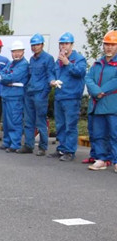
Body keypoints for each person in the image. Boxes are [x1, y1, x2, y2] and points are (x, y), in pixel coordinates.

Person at [47, 32, 87, 162]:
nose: (64, 46)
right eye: (62, 43)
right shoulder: (58, 60)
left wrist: (67, 63)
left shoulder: (79, 59)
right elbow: (51, 73)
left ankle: (69, 151)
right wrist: (52, 81)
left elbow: (80, 72)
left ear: (72, 45)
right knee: (60, 125)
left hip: (72, 97)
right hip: (59, 96)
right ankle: (62, 148)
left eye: (66, 43)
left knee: (70, 125)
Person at [85, 31, 117, 172]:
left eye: (112, 45)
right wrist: (96, 91)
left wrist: (101, 91)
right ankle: (101, 159)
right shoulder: (98, 63)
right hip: (97, 105)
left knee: (114, 134)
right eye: (106, 44)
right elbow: (88, 78)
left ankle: (116, 160)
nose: (109, 48)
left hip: (112, 105)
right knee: (98, 134)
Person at [21, 33, 55, 155]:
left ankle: (43, 147)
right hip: (30, 92)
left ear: (42, 45)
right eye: (33, 45)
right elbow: (29, 76)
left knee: (40, 121)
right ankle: (29, 145)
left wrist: (46, 92)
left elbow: (50, 74)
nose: (35, 47)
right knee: (28, 120)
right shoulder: (32, 59)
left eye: (37, 44)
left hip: (40, 93)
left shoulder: (48, 58)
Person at [0, 41, 30, 152]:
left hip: (16, 96)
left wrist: (5, 79)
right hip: (7, 95)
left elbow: (13, 77)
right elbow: (1, 75)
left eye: (18, 51)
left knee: (14, 120)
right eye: (14, 51)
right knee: (6, 121)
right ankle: (7, 142)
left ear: (23, 52)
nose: (16, 54)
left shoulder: (24, 64)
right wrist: (5, 79)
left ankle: (15, 144)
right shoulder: (11, 63)